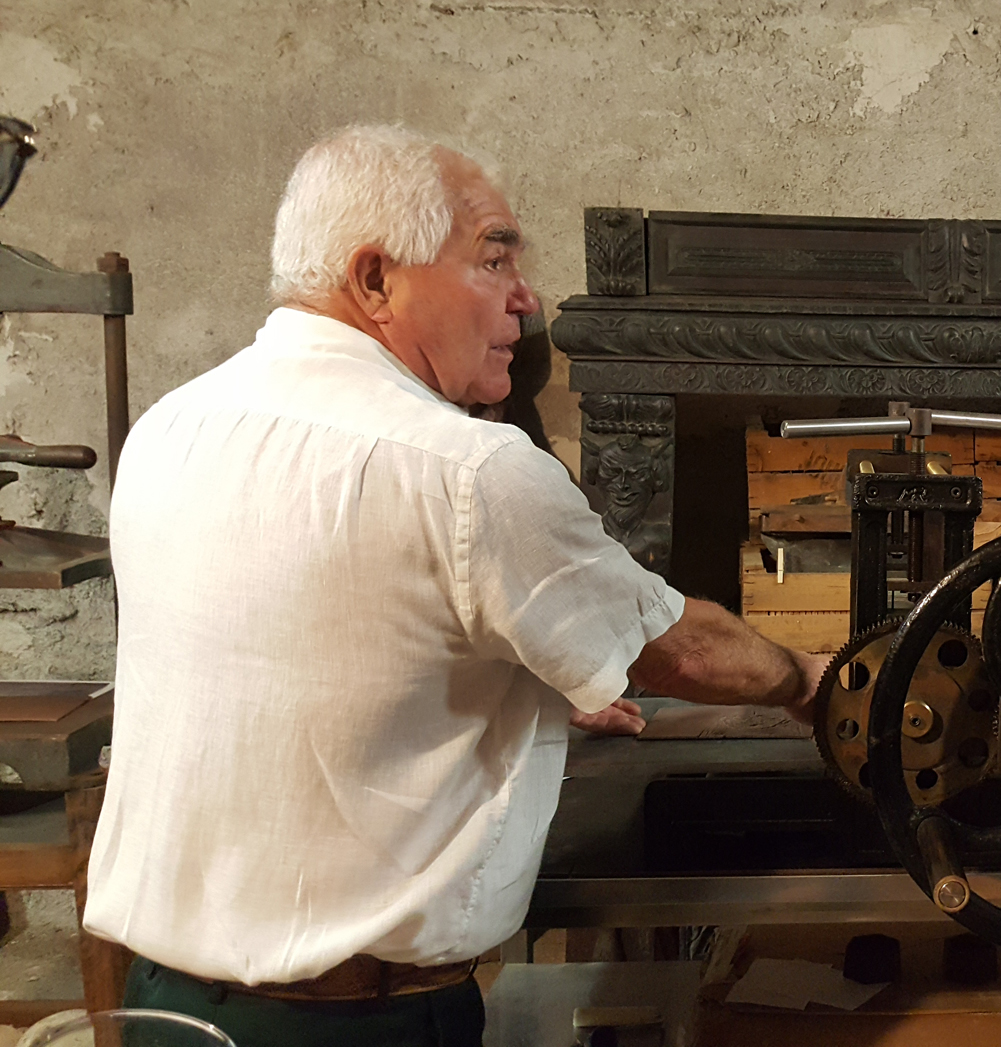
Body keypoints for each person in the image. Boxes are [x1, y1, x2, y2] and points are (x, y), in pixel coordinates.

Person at [81, 125, 827, 1047]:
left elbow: (307, 640)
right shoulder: (468, 469)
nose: (527, 296)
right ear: (375, 279)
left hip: (164, 1008)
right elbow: (679, 653)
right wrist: (812, 678)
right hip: (361, 1025)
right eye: (494, 258)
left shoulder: (172, 427)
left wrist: (531, 675)